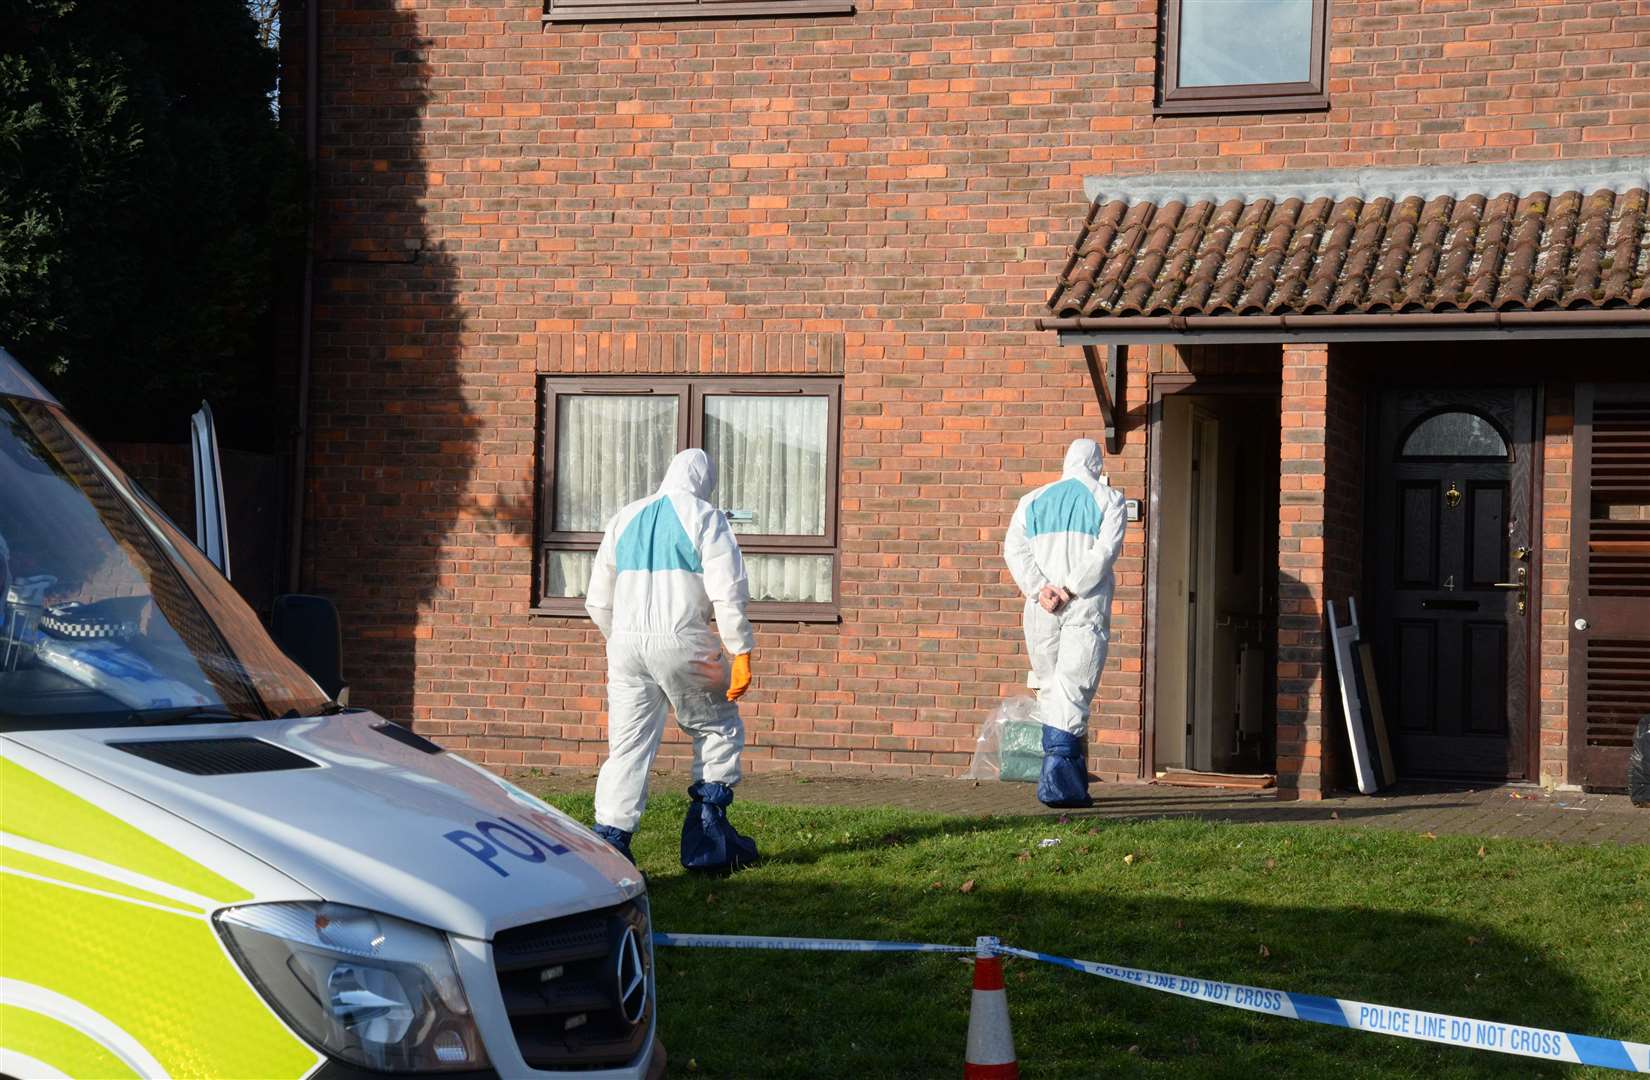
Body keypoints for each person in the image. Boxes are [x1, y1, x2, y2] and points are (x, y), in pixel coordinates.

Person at [585, 448, 759, 872]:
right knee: (717, 725)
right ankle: (710, 843)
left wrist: (624, 639)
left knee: (626, 745)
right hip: (683, 640)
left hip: (624, 646)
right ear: (704, 481)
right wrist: (741, 651)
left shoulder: (624, 517)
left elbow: (596, 600)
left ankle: (610, 847)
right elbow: (728, 591)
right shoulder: (705, 517)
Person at [1002, 438, 1127, 809]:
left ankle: (1056, 779)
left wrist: (1040, 589)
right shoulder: (1109, 499)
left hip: (1041, 607)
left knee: (1050, 687)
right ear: (1096, 463)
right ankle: (1062, 784)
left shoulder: (1033, 500)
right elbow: (1105, 552)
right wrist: (1069, 589)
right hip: (1082, 606)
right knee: (1074, 687)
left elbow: (1014, 550)